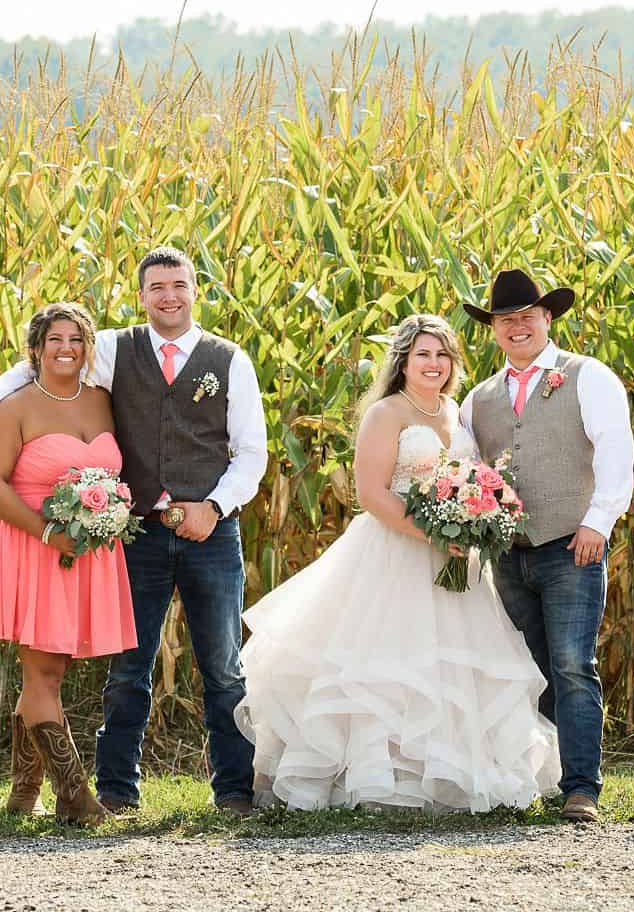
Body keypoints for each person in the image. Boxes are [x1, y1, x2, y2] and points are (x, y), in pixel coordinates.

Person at [0, 247, 266, 815]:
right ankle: (115, 790)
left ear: (196, 289)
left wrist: (214, 507)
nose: (168, 296)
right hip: (138, 535)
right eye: (156, 288)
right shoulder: (116, 351)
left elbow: (251, 452)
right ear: (142, 295)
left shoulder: (230, 359)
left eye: (179, 285)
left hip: (212, 535)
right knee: (130, 669)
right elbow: (40, 369)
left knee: (222, 667)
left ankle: (234, 791)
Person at [235, 314, 559, 811]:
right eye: (423, 354)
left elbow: (473, 480)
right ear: (404, 362)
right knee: (385, 665)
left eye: (443, 355)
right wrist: (431, 532)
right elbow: (371, 493)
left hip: (456, 565)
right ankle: (373, 777)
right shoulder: (386, 413)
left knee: (451, 667)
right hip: (392, 553)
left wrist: (471, 524)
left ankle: (447, 776)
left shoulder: (458, 413)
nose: (434, 364)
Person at [459, 269, 633, 823]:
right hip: (508, 554)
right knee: (527, 668)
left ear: (547, 318)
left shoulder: (587, 377)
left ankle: (581, 787)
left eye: (527, 316)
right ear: (493, 330)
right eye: (506, 319)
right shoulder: (477, 400)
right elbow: (466, 473)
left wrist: (598, 523)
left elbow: (614, 451)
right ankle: (538, 777)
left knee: (572, 664)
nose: (517, 326)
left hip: (571, 546)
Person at [0, 302, 136, 826]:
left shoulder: (104, 402)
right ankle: (74, 796)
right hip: (31, 546)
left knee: (51, 671)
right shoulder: (15, 407)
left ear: (88, 349)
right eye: (55, 340)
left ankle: (23, 794)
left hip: (85, 551)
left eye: (77, 340)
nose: (67, 349)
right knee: (42, 672)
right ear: (36, 349)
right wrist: (47, 532)